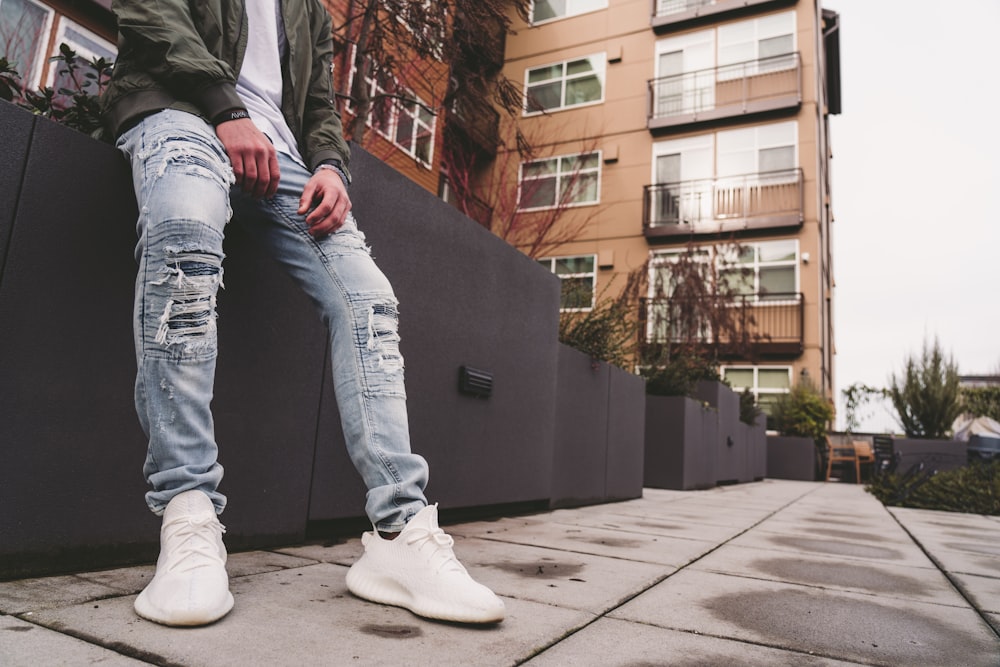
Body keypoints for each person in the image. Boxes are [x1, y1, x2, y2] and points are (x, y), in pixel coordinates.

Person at [100, 0, 504, 627]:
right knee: (185, 239)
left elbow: (318, 101)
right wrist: (227, 110)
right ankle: (188, 515)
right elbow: (154, 21)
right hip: (178, 113)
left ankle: (400, 533)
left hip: (282, 156)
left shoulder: (309, 9)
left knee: (369, 301)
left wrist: (331, 166)